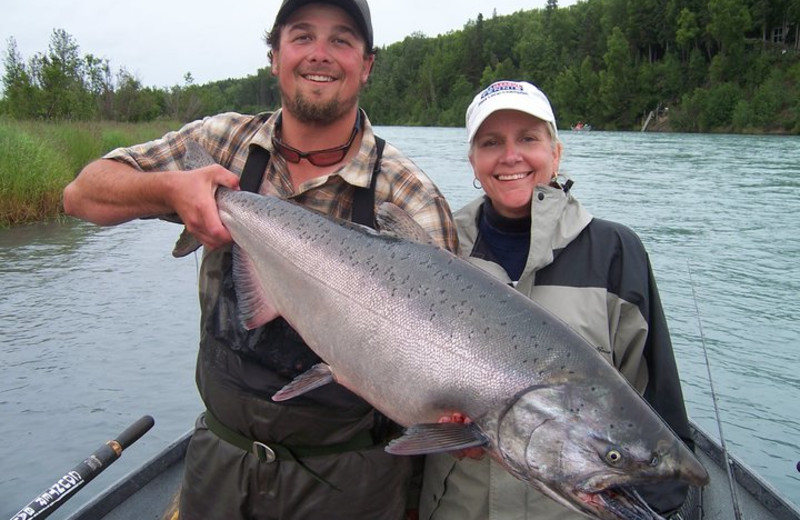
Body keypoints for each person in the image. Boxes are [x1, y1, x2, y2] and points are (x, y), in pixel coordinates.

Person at [63, 1, 457, 518]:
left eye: (341, 39)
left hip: (348, 479)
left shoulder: (410, 198)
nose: (320, 54)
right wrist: (171, 190)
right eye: (301, 37)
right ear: (274, 56)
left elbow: (446, 358)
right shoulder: (219, 142)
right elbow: (81, 195)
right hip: (220, 459)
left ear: (367, 65)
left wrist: (455, 417)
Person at [419, 80, 695, 519]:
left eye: (528, 138)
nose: (511, 156)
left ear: (556, 152)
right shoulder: (439, 250)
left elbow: (658, 403)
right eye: (492, 142)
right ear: (473, 160)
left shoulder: (616, 251)